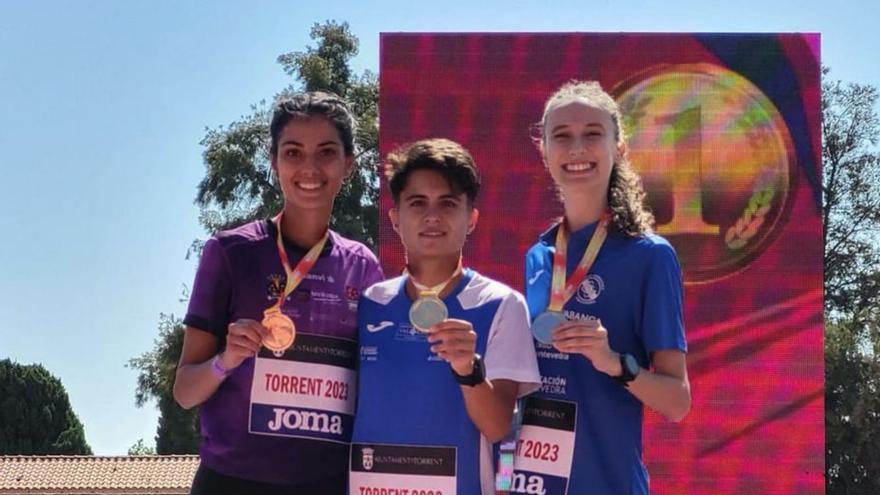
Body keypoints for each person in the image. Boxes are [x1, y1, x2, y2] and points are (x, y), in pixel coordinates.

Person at [173, 91, 384, 494]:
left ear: (349, 165)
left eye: (326, 152)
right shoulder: (230, 252)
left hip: (327, 482)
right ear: (273, 162)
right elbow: (185, 392)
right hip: (230, 482)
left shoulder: (363, 265)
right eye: (292, 152)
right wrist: (226, 360)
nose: (309, 167)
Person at [512, 81, 691, 495]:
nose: (577, 148)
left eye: (593, 134)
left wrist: (614, 362)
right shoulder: (538, 255)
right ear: (544, 150)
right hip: (534, 484)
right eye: (562, 136)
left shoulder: (650, 256)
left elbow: (677, 402)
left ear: (619, 147)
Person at [349, 138, 541, 495]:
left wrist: (469, 371)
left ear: (471, 219)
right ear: (395, 218)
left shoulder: (501, 304)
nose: (432, 216)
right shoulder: (370, 303)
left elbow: (500, 427)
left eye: (448, 204)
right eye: (417, 203)